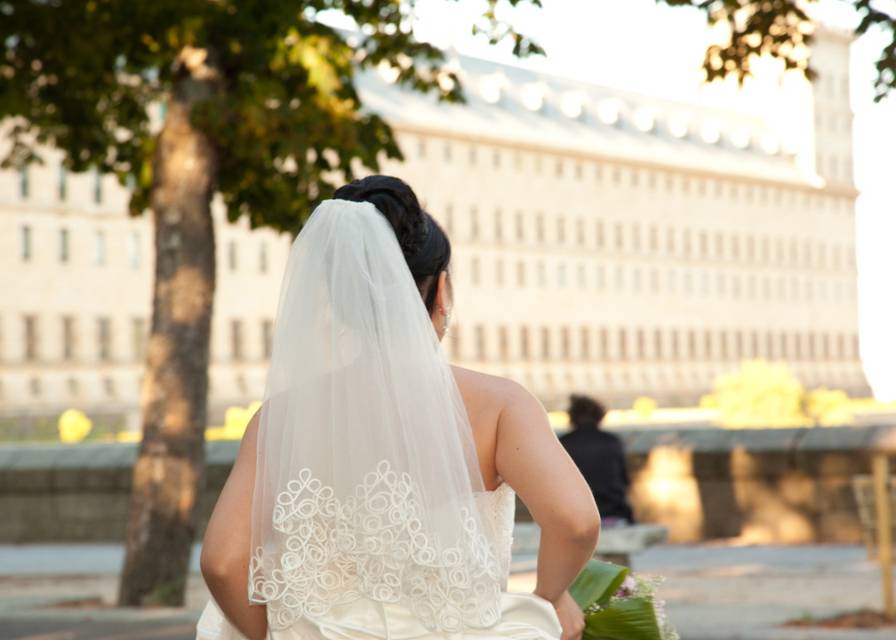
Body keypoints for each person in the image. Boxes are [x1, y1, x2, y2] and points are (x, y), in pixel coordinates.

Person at [196, 176, 600, 640]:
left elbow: (222, 564)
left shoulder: (280, 419)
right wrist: (551, 598)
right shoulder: (502, 406)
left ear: (339, 300)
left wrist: (270, 636)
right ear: (442, 290)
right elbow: (576, 521)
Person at [558, 395, 634, 526]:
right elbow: (625, 480)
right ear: (600, 416)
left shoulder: (563, 443)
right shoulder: (612, 442)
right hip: (613, 514)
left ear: (572, 417)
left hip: (574, 515)